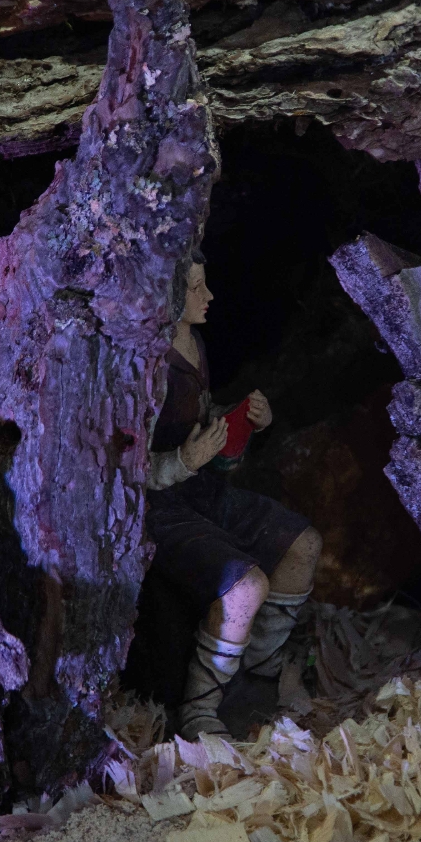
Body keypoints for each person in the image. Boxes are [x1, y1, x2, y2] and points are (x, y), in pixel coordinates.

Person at [145, 257, 322, 739]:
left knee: (303, 544)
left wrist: (240, 421)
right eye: (196, 288)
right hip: (161, 506)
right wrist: (183, 460)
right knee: (246, 587)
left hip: (201, 491)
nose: (208, 297)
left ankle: (259, 668)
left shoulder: (194, 342)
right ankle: (200, 708)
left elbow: (199, 423)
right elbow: (122, 465)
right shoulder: (148, 362)